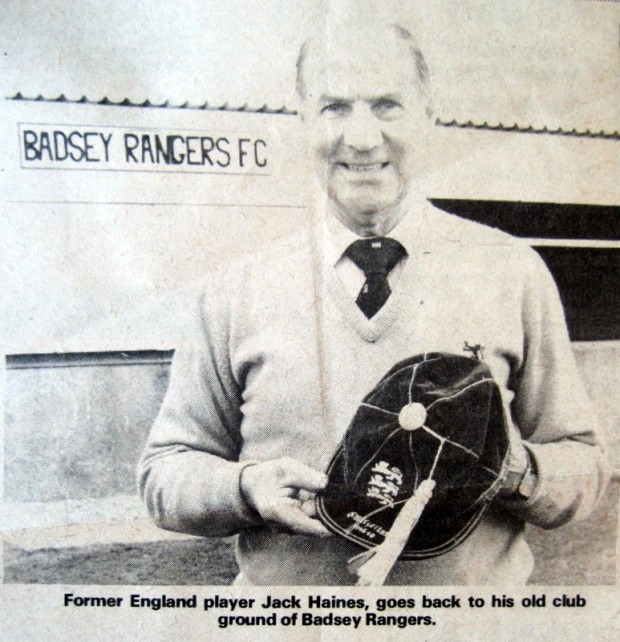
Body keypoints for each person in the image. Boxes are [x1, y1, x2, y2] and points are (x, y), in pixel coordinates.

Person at [138, 21, 609, 585]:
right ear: (302, 122)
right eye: (335, 107)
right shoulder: (233, 289)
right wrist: (248, 487)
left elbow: (584, 462)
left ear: (427, 116)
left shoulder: (511, 271)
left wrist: (513, 471)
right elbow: (164, 474)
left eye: (387, 105)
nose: (361, 138)